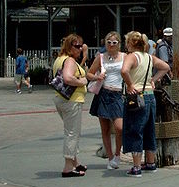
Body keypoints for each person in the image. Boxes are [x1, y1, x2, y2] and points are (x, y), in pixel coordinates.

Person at [121, 30, 170, 176]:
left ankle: (136, 166)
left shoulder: (132, 56)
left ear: (130, 43)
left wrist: (130, 85)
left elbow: (124, 71)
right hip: (149, 95)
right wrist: (153, 80)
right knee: (149, 129)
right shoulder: (149, 57)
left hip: (136, 96)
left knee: (135, 129)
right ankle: (151, 162)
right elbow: (166, 67)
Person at [86, 31, 125, 169]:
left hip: (118, 94)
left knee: (120, 127)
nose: (111, 45)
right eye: (109, 42)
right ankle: (110, 157)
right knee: (105, 129)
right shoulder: (101, 57)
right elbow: (89, 73)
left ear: (119, 44)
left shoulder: (124, 57)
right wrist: (97, 77)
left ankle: (117, 155)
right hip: (103, 93)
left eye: (114, 42)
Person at [52, 34, 88, 177]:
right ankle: (68, 167)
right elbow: (67, 78)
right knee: (72, 133)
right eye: (77, 46)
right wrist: (82, 82)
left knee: (71, 131)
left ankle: (75, 162)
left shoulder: (59, 59)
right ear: (69, 46)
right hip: (72, 100)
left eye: (81, 46)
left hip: (61, 100)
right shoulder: (70, 61)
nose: (80, 49)